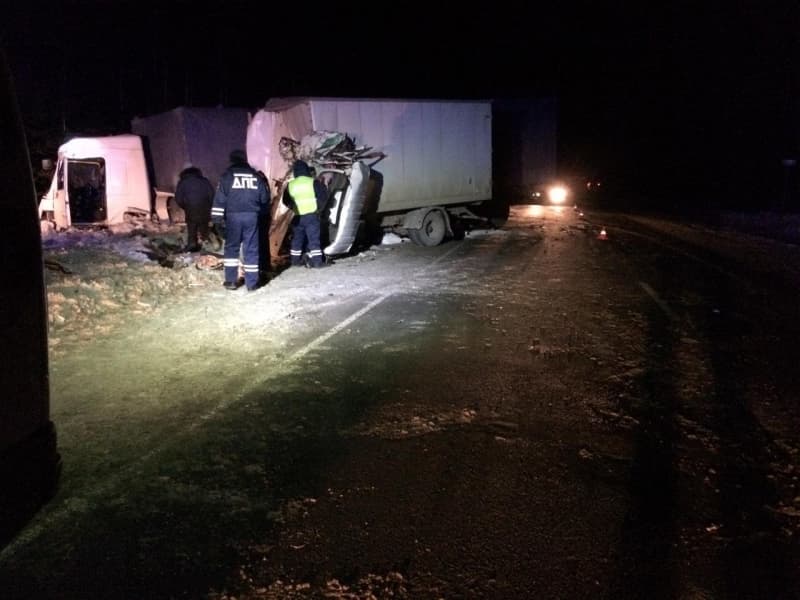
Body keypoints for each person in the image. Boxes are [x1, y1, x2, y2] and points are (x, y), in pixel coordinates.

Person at [211, 150, 271, 291]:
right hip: (252, 217)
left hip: (233, 217)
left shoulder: (227, 177)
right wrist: (262, 216)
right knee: (251, 248)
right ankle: (252, 283)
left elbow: (219, 201)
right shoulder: (256, 177)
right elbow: (264, 199)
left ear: (232, 161)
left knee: (232, 248)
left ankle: (231, 281)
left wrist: (217, 220)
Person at [282, 159, 328, 268]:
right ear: (306, 169)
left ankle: (295, 261)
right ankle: (317, 262)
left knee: (297, 240)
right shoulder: (313, 182)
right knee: (313, 239)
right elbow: (324, 197)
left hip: (297, 217)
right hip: (311, 215)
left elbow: (285, 200)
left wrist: (293, 208)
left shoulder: (290, 185)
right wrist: (319, 209)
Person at [174, 165, 215, 252]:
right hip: (204, 208)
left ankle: (192, 244)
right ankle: (206, 243)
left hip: (190, 209)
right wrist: (209, 206)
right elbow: (212, 195)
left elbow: (178, 198)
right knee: (204, 226)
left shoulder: (182, 182)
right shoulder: (205, 181)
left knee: (191, 227)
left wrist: (185, 206)